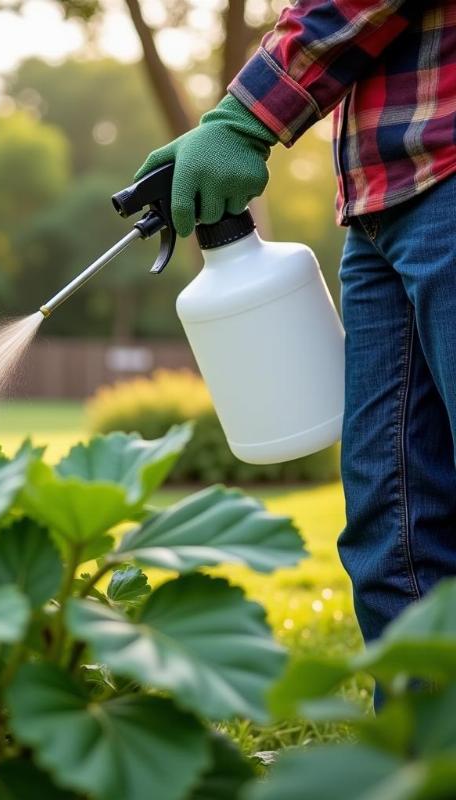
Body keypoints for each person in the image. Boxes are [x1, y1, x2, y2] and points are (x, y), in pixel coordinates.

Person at [137, 0, 456, 651]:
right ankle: (419, 744)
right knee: (392, 534)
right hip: (376, 199)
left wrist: (242, 117)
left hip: (447, 168)